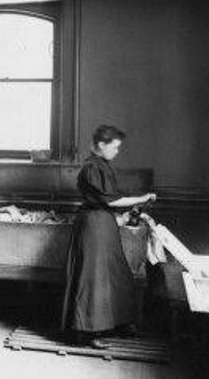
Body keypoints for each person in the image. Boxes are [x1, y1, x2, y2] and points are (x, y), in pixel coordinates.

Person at [62, 124, 156, 348]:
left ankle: (118, 324)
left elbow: (107, 204)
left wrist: (121, 217)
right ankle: (88, 332)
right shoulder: (92, 167)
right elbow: (111, 200)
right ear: (101, 145)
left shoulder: (101, 165)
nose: (117, 151)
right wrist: (143, 197)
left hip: (104, 224)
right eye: (114, 147)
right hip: (94, 227)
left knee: (115, 273)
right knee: (94, 279)